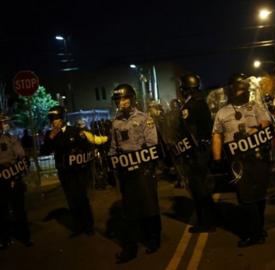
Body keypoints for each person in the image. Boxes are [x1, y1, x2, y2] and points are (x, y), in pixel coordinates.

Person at [211, 73, 273, 247]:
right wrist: (217, 158)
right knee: (245, 198)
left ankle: (259, 229)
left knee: (259, 195)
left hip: (258, 156)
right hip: (238, 161)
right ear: (230, 90)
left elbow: (266, 125)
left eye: (242, 89)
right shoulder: (222, 112)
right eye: (237, 89)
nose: (240, 92)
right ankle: (254, 234)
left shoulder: (255, 106)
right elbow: (217, 135)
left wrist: (256, 131)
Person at [108, 84, 162, 263]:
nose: (121, 102)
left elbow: (152, 143)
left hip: (143, 170)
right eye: (118, 100)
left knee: (149, 205)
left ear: (131, 99)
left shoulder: (145, 119)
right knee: (129, 210)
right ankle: (130, 248)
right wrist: (112, 166)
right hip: (126, 173)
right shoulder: (115, 122)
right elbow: (114, 148)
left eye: (124, 98)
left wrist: (144, 162)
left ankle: (154, 239)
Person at [42, 106, 106, 238]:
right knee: (71, 200)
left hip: (79, 172)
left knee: (82, 198)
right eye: (52, 119)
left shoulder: (75, 131)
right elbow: (45, 151)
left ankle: (89, 226)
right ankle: (78, 226)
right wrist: (51, 138)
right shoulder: (51, 135)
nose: (54, 122)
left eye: (57, 119)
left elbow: (87, 148)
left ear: (63, 119)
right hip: (65, 172)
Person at [177, 73, 216, 233]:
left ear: (186, 89)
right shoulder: (202, 102)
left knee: (198, 187)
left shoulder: (190, 105)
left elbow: (189, 130)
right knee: (203, 186)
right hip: (204, 148)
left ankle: (206, 222)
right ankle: (210, 218)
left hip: (195, 151)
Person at [0, 114, 32, 249]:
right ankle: (4, 239)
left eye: (5, 122)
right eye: (2, 122)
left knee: (20, 210)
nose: (5, 124)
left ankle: (25, 237)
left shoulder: (12, 138)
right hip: (1, 181)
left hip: (14, 179)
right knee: (2, 211)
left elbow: (21, 155)